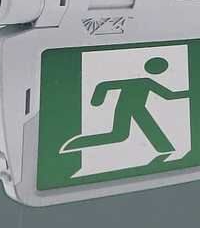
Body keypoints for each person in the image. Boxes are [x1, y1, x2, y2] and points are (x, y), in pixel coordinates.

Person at [61, 56, 189, 163]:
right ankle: (77, 144)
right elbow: (105, 85)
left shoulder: (146, 81)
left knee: (124, 134)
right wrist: (97, 100)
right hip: (126, 108)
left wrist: (190, 93)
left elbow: (168, 95)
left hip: (138, 109)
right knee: (119, 135)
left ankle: (166, 150)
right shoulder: (144, 81)